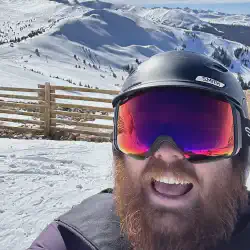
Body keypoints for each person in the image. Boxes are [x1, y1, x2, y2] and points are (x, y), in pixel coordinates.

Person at [28, 51, 250, 250]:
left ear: (241, 156)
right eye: (144, 132)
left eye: (200, 134)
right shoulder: (75, 239)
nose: (166, 152)